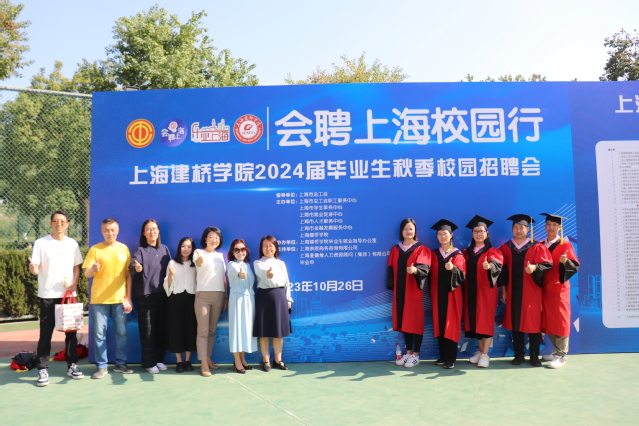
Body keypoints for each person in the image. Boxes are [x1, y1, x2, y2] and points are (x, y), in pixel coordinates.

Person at [29, 210, 85, 386]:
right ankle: (42, 368)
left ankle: (72, 365)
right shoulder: (41, 243)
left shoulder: (72, 244)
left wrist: (74, 283)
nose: (59, 223)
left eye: (62, 221)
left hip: (68, 296)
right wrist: (33, 269)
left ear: (67, 224)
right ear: (51, 224)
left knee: (71, 334)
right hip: (47, 296)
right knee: (45, 334)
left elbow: (76, 267)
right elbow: (35, 267)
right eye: (55, 221)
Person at [498, 214, 553, 367]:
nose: (518, 230)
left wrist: (535, 267)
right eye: (515, 227)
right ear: (512, 229)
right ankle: (519, 354)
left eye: (521, 227)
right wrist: (504, 291)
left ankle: (534, 355)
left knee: (533, 324)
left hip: (532, 292)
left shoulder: (537, 246)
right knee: (516, 324)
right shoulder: (506, 247)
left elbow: (547, 264)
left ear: (527, 229)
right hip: (513, 292)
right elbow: (502, 272)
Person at [83, 218, 134, 379]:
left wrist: (129, 297)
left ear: (117, 231)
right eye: (106, 230)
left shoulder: (124, 249)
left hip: (120, 299)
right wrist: (93, 268)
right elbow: (86, 274)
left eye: (112, 230)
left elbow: (128, 275)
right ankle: (101, 366)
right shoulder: (94, 250)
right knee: (99, 334)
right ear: (102, 231)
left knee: (121, 333)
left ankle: (121, 364)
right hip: (99, 299)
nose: (110, 233)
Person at [387, 218, 430, 368]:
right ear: (401, 231)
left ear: (415, 231)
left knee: (414, 320)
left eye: (411, 229)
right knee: (405, 321)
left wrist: (416, 270)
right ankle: (408, 352)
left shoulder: (421, 249)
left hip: (413, 291)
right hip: (400, 292)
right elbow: (391, 270)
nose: (408, 231)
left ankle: (416, 355)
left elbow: (425, 268)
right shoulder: (395, 250)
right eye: (405, 229)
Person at [539, 213, 580, 369]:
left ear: (560, 227)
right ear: (545, 226)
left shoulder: (565, 245)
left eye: (554, 225)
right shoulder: (540, 244)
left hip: (558, 288)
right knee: (548, 320)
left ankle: (562, 354)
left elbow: (575, 265)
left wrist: (566, 261)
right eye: (548, 224)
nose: (551, 227)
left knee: (560, 320)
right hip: (543, 288)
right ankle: (556, 350)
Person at [462, 215, 503, 368]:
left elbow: (497, 265)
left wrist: (490, 266)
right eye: (475, 231)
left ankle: (485, 355)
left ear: (487, 233)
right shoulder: (467, 252)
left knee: (485, 322)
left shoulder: (492, 251)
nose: (478, 234)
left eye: (481, 231)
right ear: (472, 234)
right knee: (475, 323)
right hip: (471, 292)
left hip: (486, 293)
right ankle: (480, 351)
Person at [130, 219, 171, 373]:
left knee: (161, 329)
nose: (152, 232)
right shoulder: (140, 250)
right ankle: (149, 363)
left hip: (163, 294)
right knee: (147, 331)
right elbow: (132, 265)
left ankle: (159, 359)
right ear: (144, 233)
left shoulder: (165, 249)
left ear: (158, 231)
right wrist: (136, 267)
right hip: (146, 294)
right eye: (148, 229)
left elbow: (171, 268)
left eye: (154, 229)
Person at [253, 235, 293, 372]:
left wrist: (288, 300)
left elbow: (287, 282)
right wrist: (268, 274)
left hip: (280, 297)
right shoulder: (258, 263)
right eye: (265, 246)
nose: (268, 248)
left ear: (275, 248)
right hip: (264, 297)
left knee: (278, 332)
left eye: (270, 245)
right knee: (264, 332)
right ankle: (266, 360)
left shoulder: (281, 263)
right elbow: (262, 273)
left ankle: (278, 360)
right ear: (261, 248)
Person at [429, 219, 466, 369]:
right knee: (440, 323)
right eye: (439, 234)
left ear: (451, 235)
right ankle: (443, 355)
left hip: (452, 296)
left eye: (445, 234)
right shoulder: (433, 254)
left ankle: (451, 358)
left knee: (451, 324)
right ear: (437, 237)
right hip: (437, 295)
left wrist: (453, 268)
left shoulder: (457, 255)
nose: (442, 236)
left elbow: (462, 275)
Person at [193, 227, 227, 377]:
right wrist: (200, 260)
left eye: (217, 238)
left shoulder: (220, 256)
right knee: (203, 331)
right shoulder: (198, 252)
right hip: (203, 295)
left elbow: (224, 277)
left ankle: (208, 358)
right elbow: (198, 263)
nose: (214, 240)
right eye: (211, 237)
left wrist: (225, 297)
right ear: (205, 239)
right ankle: (203, 364)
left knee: (212, 331)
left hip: (219, 295)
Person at [164, 237, 198, 373]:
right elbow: (167, 285)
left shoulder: (195, 264)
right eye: (183, 246)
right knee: (176, 330)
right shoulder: (172, 262)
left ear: (192, 249)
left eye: (189, 247)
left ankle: (188, 360)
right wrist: (171, 275)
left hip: (191, 299)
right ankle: (179, 361)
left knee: (190, 329)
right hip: (176, 299)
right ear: (179, 247)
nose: (186, 249)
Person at [227, 239, 258, 373]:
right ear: (233, 252)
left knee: (245, 329)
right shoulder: (231, 264)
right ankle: (237, 361)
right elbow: (237, 273)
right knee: (237, 329)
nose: (240, 252)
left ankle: (243, 359)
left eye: (243, 249)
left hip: (249, 299)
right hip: (237, 299)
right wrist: (240, 275)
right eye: (237, 250)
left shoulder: (248, 265)